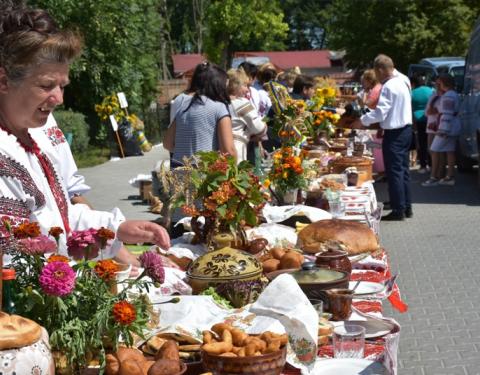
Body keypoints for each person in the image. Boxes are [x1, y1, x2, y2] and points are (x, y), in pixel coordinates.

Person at [0, 4, 170, 254]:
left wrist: (116, 228)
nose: (58, 98)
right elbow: (19, 260)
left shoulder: (32, 134)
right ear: (4, 81)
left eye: (62, 86)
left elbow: (58, 219)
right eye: (46, 86)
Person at [350, 54, 413, 221]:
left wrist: (362, 121)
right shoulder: (403, 80)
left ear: (379, 70)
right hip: (406, 129)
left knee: (394, 171)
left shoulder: (389, 86)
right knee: (403, 170)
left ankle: (398, 209)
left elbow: (381, 112)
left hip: (395, 132)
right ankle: (405, 206)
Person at [163, 62, 236, 166]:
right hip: (205, 175)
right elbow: (229, 150)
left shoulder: (184, 105)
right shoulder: (219, 108)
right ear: (218, 85)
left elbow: (167, 143)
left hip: (178, 175)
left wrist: (188, 152)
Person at [422, 74, 460, 186]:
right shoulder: (453, 94)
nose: (437, 85)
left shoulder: (448, 96)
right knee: (449, 151)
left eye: (439, 83)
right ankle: (449, 176)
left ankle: (434, 177)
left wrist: (443, 130)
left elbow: (446, 114)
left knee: (434, 150)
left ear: (443, 83)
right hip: (453, 126)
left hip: (446, 128)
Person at [227, 69, 267, 162]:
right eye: (245, 85)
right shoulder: (241, 103)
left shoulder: (220, 102)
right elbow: (259, 128)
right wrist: (265, 124)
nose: (247, 90)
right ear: (235, 86)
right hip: (237, 148)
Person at [410, 74, 434, 173]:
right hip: (431, 119)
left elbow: (409, 107)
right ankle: (432, 164)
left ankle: (423, 165)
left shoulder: (412, 93)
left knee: (421, 142)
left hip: (418, 119)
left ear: (413, 83)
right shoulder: (431, 91)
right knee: (432, 142)